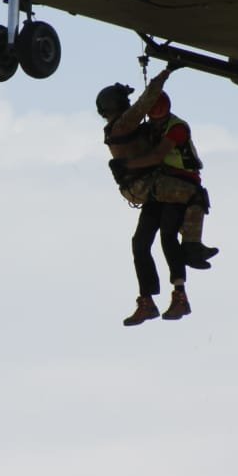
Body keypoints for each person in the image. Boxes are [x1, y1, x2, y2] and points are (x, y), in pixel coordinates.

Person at [97, 67, 218, 326]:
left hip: (153, 188)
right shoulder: (125, 124)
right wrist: (167, 71)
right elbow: (147, 101)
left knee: (151, 241)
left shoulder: (121, 129)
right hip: (156, 187)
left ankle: (168, 297)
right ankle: (188, 253)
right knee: (191, 199)